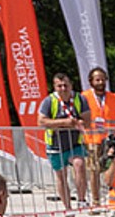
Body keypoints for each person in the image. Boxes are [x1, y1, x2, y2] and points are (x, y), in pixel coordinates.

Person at [38, 73, 90, 209]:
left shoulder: (80, 99)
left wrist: (79, 122)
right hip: (55, 144)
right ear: (55, 87)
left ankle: (82, 199)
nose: (63, 88)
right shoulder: (49, 101)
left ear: (71, 85)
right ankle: (68, 208)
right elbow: (41, 121)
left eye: (65, 85)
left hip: (75, 142)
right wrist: (65, 122)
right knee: (61, 176)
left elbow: (88, 120)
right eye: (59, 86)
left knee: (79, 165)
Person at [81, 68, 115, 208]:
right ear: (91, 81)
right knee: (94, 171)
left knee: (113, 169)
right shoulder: (84, 97)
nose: (100, 82)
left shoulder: (114, 98)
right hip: (92, 139)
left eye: (102, 79)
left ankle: (114, 199)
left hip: (110, 139)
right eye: (97, 79)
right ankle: (96, 201)